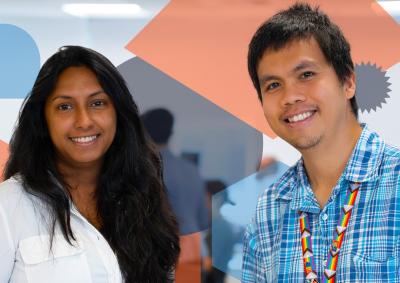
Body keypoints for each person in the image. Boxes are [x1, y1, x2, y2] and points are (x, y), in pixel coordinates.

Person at [242, 3, 400, 282]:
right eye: (273, 85)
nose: (290, 97)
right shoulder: (270, 208)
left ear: (348, 81)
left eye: (306, 75)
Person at [0, 46, 180, 283]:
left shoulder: (144, 201)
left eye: (97, 103)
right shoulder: (9, 205)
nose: (83, 121)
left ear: (118, 112)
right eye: (64, 106)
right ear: (43, 120)